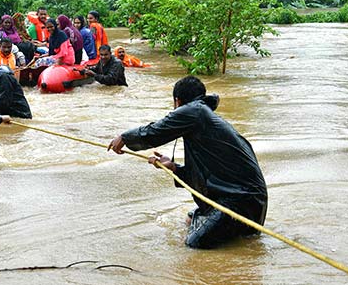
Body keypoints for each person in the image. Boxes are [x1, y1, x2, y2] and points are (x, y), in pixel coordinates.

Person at [108, 76, 268, 249]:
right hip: (249, 201)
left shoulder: (194, 111)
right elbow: (208, 175)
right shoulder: (203, 117)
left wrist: (124, 138)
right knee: (190, 219)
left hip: (241, 202)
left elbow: (155, 131)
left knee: (194, 243)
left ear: (177, 101)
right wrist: (174, 168)